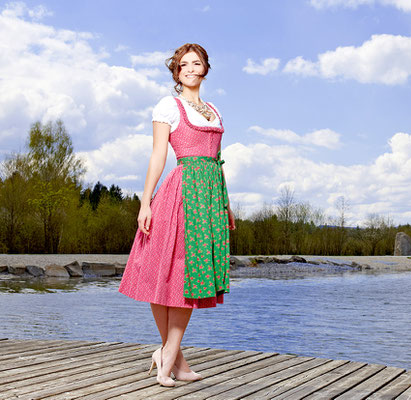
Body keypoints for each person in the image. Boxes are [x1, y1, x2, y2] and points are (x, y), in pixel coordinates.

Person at [118, 43, 235, 387]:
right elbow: (157, 156)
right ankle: (170, 357)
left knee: (191, 273)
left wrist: (226, 205)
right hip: (181, 193)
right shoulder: (168, 106)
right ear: (176, 71)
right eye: (183, 64)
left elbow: (218, 161)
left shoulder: (214, 110)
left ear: (205, 69)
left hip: (211, 196)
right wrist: (145, 202)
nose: (190, 68)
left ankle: (170, 356)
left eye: (196, 63)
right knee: (169, 272)